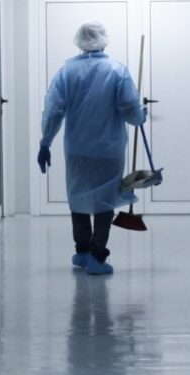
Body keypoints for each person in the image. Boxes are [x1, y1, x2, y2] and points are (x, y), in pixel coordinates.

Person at [37, 21, 147, 275]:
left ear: (79, 41)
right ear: (104, 41)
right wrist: (141, 115)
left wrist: (45, 142)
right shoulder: (117, 70)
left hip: (77, 149)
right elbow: (131, 111)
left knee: (78, 199)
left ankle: (82, 252)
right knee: (104, 202)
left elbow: (53, 110)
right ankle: (97, 257)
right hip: (108, 150)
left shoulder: (66, 72)